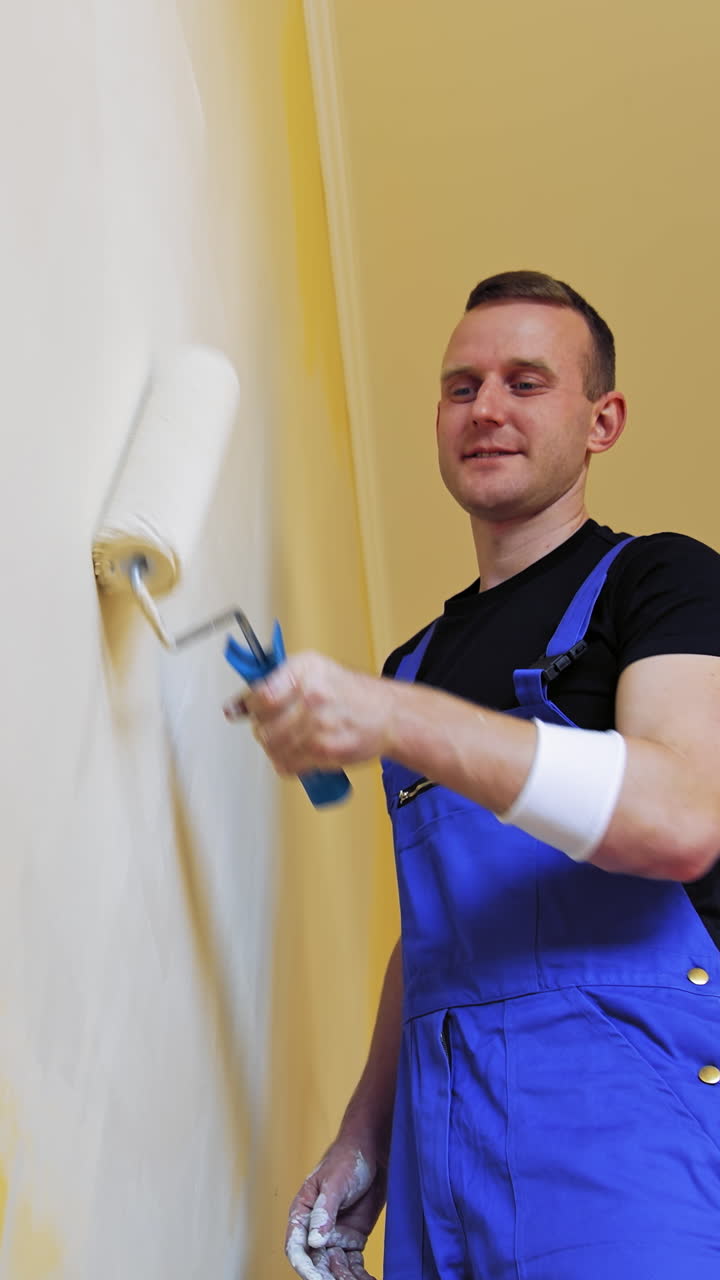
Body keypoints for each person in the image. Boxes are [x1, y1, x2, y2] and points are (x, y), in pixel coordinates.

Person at [225, 271, 720, 1279]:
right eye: (462, 385)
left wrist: (395, 715)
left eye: (526, 380)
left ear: (602, 419)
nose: (486, 407)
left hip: (620, 1128)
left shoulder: (657, 580)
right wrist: (369, 1132)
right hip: (441, 1151)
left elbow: (680, 814)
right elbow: (441, 925)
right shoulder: (415, 661)